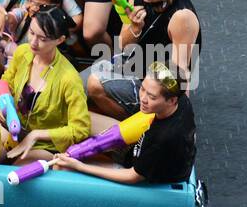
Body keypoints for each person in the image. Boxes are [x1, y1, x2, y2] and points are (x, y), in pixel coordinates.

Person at [84, 0, 200, 119]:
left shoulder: (182, 18)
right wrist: (135, 29)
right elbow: (123, 46)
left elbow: (178, 77)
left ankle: (140, 130)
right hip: (131, 64)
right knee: (72, 85)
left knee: (94, 85)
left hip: (153, 86)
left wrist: (178, 119)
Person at [54, 64, 196, 184]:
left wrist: (79, 166)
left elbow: (132, 176)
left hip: (133, 170)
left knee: (60, 167)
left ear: (171, 100)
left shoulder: (165, 138)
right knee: (77, 119)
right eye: (143, 89)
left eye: (151, 97)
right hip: (134, 147)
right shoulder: (181, 101)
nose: (143, 99)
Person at [0, 6, 90, 162]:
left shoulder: (69, 78)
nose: (33, 42)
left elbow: (80, 129)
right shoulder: (23, 52)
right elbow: (6, 82)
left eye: (43, 39)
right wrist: (5, 106)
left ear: (60, 40)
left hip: (44, 144)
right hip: (13, 130)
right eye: (32, 33)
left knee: (17, 168)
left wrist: (37, 134)